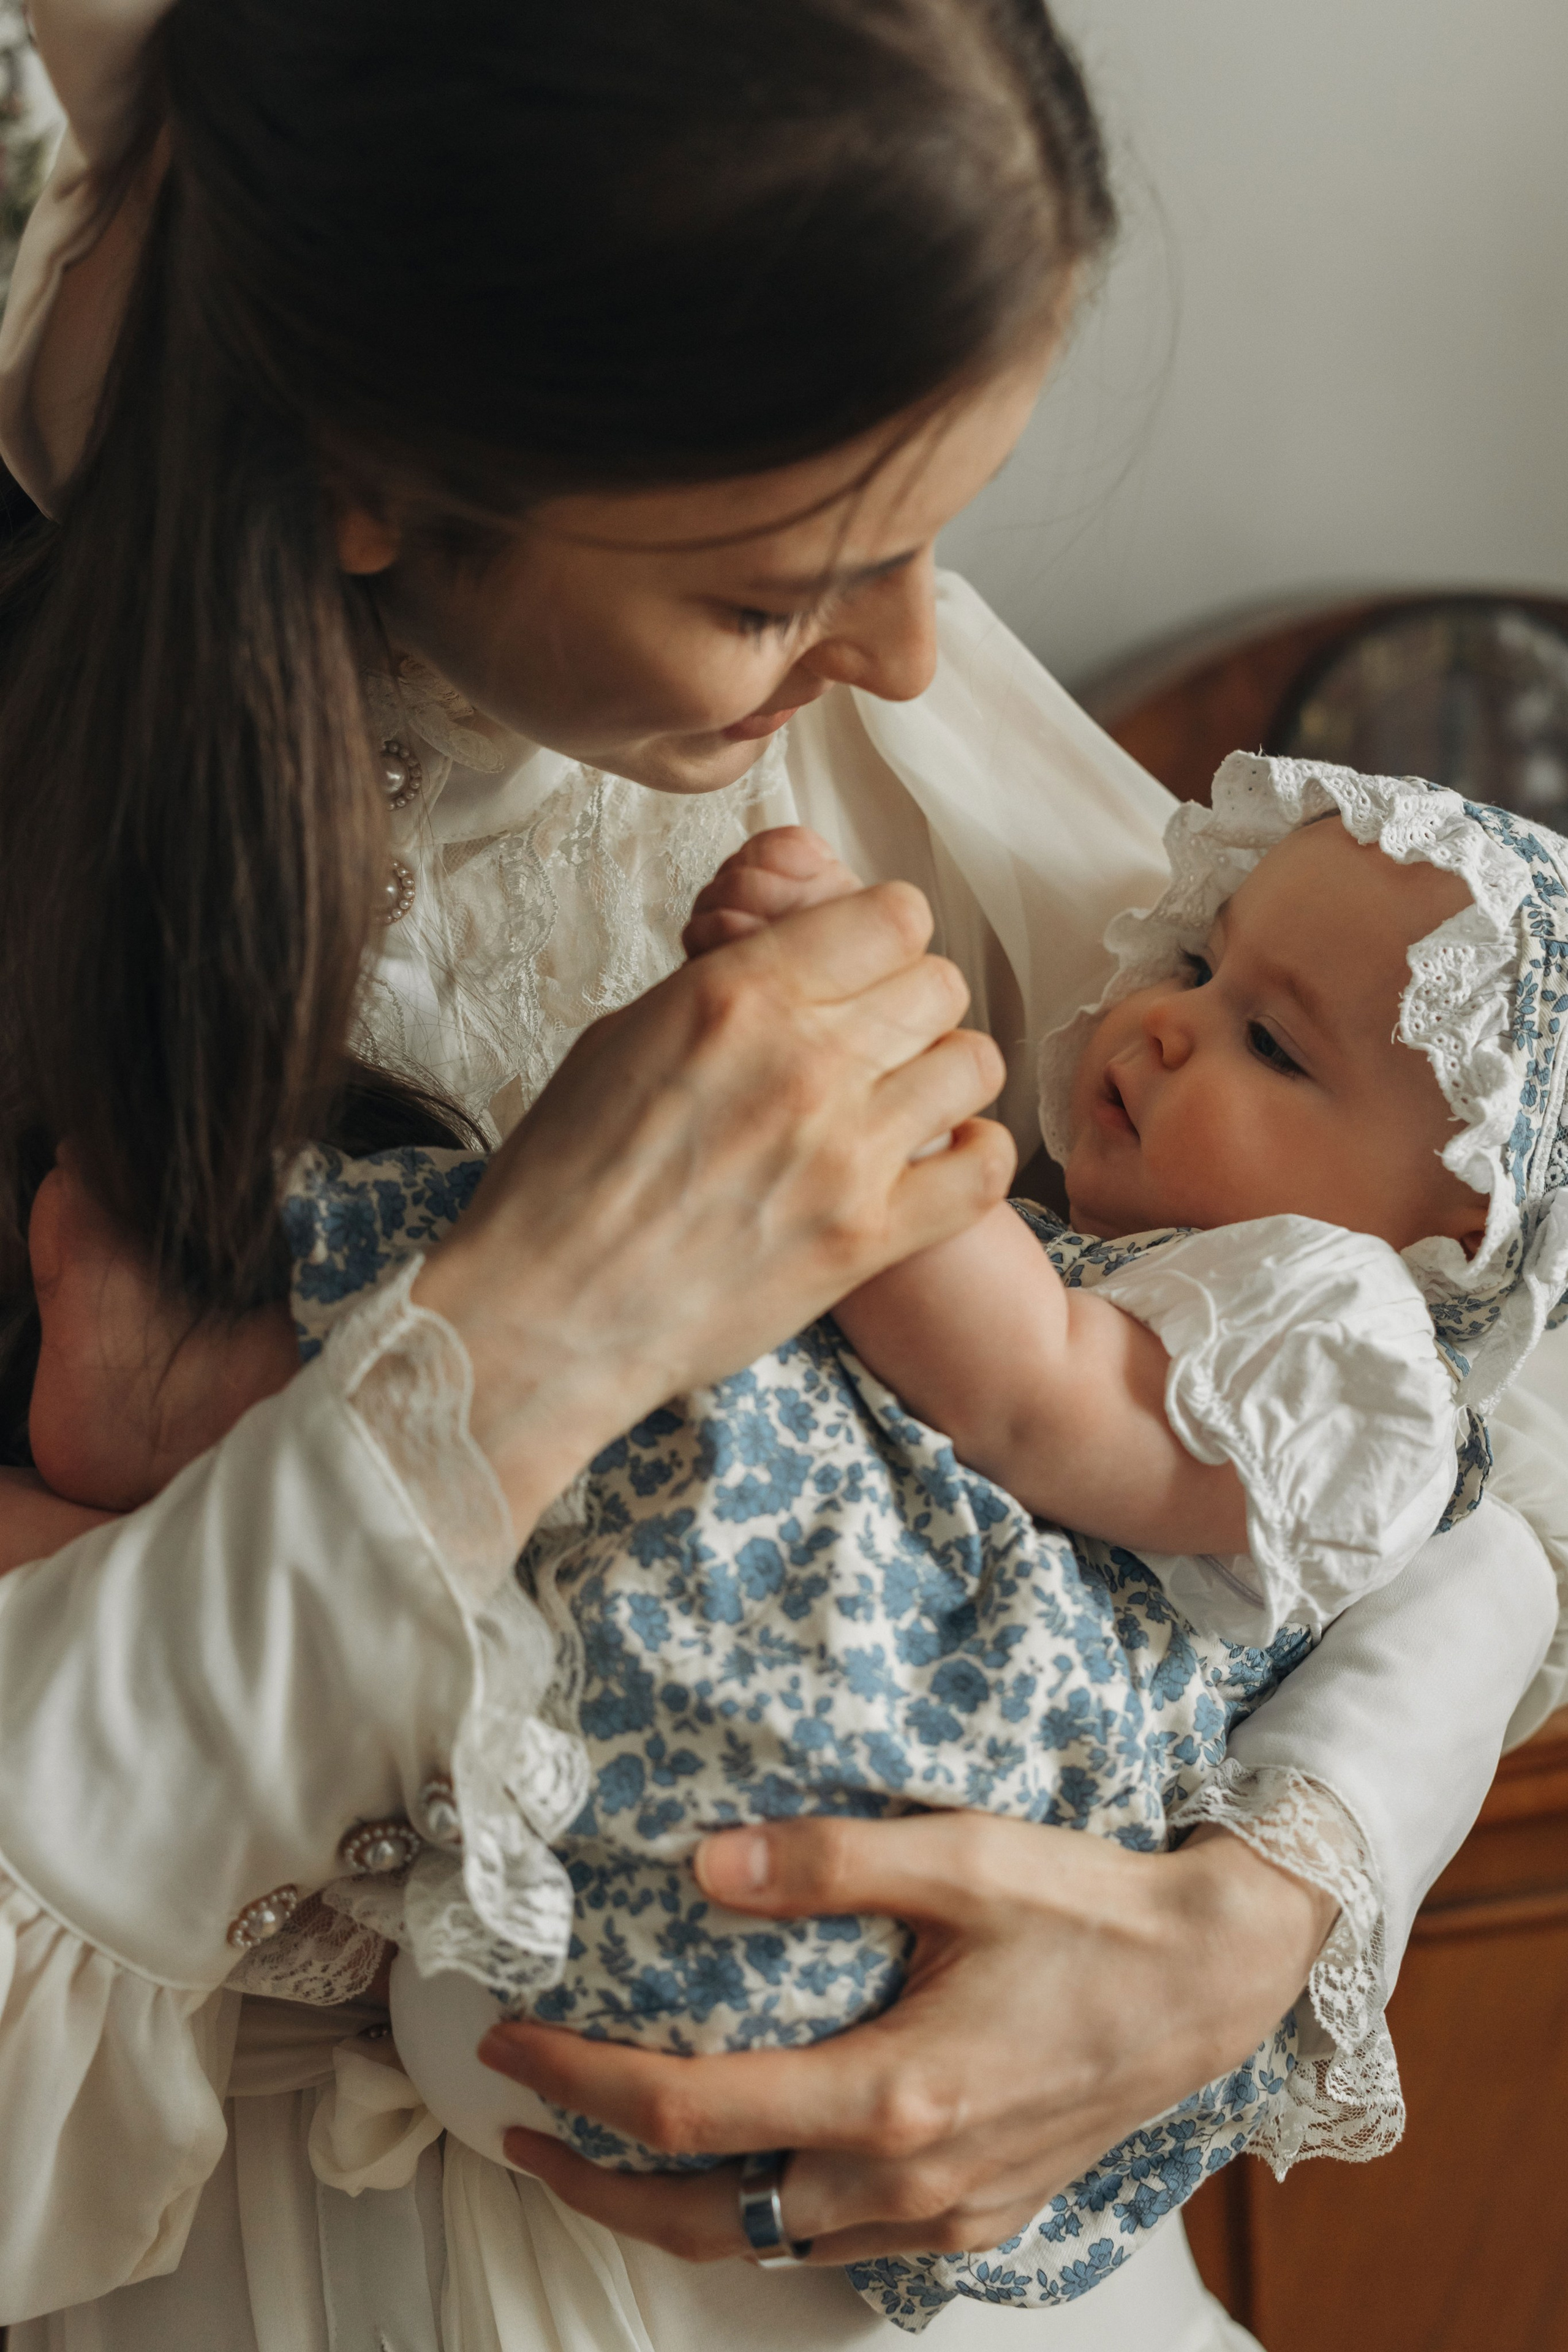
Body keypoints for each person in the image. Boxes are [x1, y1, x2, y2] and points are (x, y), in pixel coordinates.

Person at [0, 4, 1562, 2348]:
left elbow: (1487, 1348)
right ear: (362, 471)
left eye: (937, 540)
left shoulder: (794, 617)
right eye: (770, 596)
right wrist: (535, 1329)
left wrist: (1253, 1912)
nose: (906, 659)